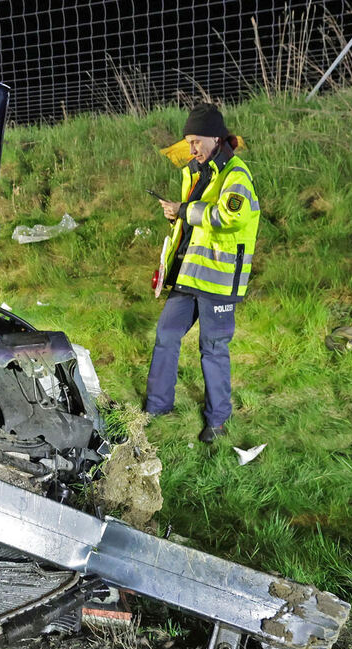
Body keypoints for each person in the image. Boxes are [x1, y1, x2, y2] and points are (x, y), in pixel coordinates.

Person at [145, 103, 261, 443]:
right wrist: (177, 215)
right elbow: (196, 222)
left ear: (215, 138)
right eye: (188, 141)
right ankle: (156, 409)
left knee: (212, 349)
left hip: (220, 282)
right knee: (166, 334)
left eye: (196, 141)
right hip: (190, 277)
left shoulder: (236, 174)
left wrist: (185, 210)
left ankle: (218, 421)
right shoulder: (201, 172)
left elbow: (229, 216)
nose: (191, 148)